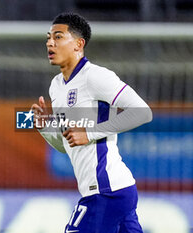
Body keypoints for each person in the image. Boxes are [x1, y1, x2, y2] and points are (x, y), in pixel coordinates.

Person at [31, 13, 152, 233]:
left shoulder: (95, 77)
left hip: (107, 191)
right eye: (48, 37)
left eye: (58, 37)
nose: (49, 42)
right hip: (112, 190)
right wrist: (44, 127)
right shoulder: (56, 86)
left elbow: (143, 112)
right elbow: (66, 145)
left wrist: (89, 132)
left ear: (79, 44)